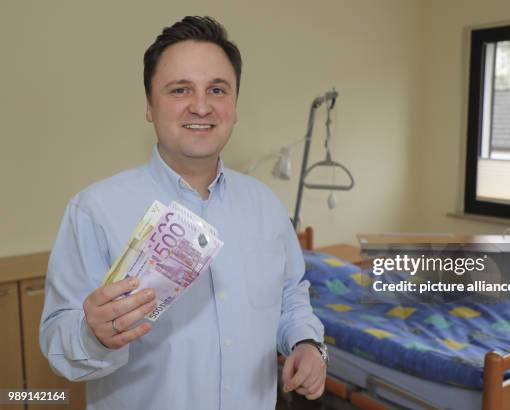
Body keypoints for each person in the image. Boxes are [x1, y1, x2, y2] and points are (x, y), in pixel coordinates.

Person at [40, 16, 327, 410]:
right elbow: (57, 343)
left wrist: (307, 342)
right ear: (149, 106)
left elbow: (292, 295)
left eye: (218, 89)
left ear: (235, 105)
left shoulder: (266, 207)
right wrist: (93, 334)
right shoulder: (94, 211)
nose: (201, 105)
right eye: (180, 89)